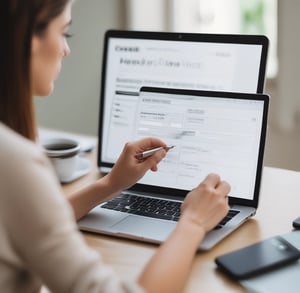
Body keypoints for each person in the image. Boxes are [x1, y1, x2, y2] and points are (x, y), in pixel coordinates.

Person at [0, 0, 230, 292]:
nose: (65, 50)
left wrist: (111, 184)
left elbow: (28, 219)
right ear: (30, 36)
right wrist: (194, 223)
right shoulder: (14, 163)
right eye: (64, 33)